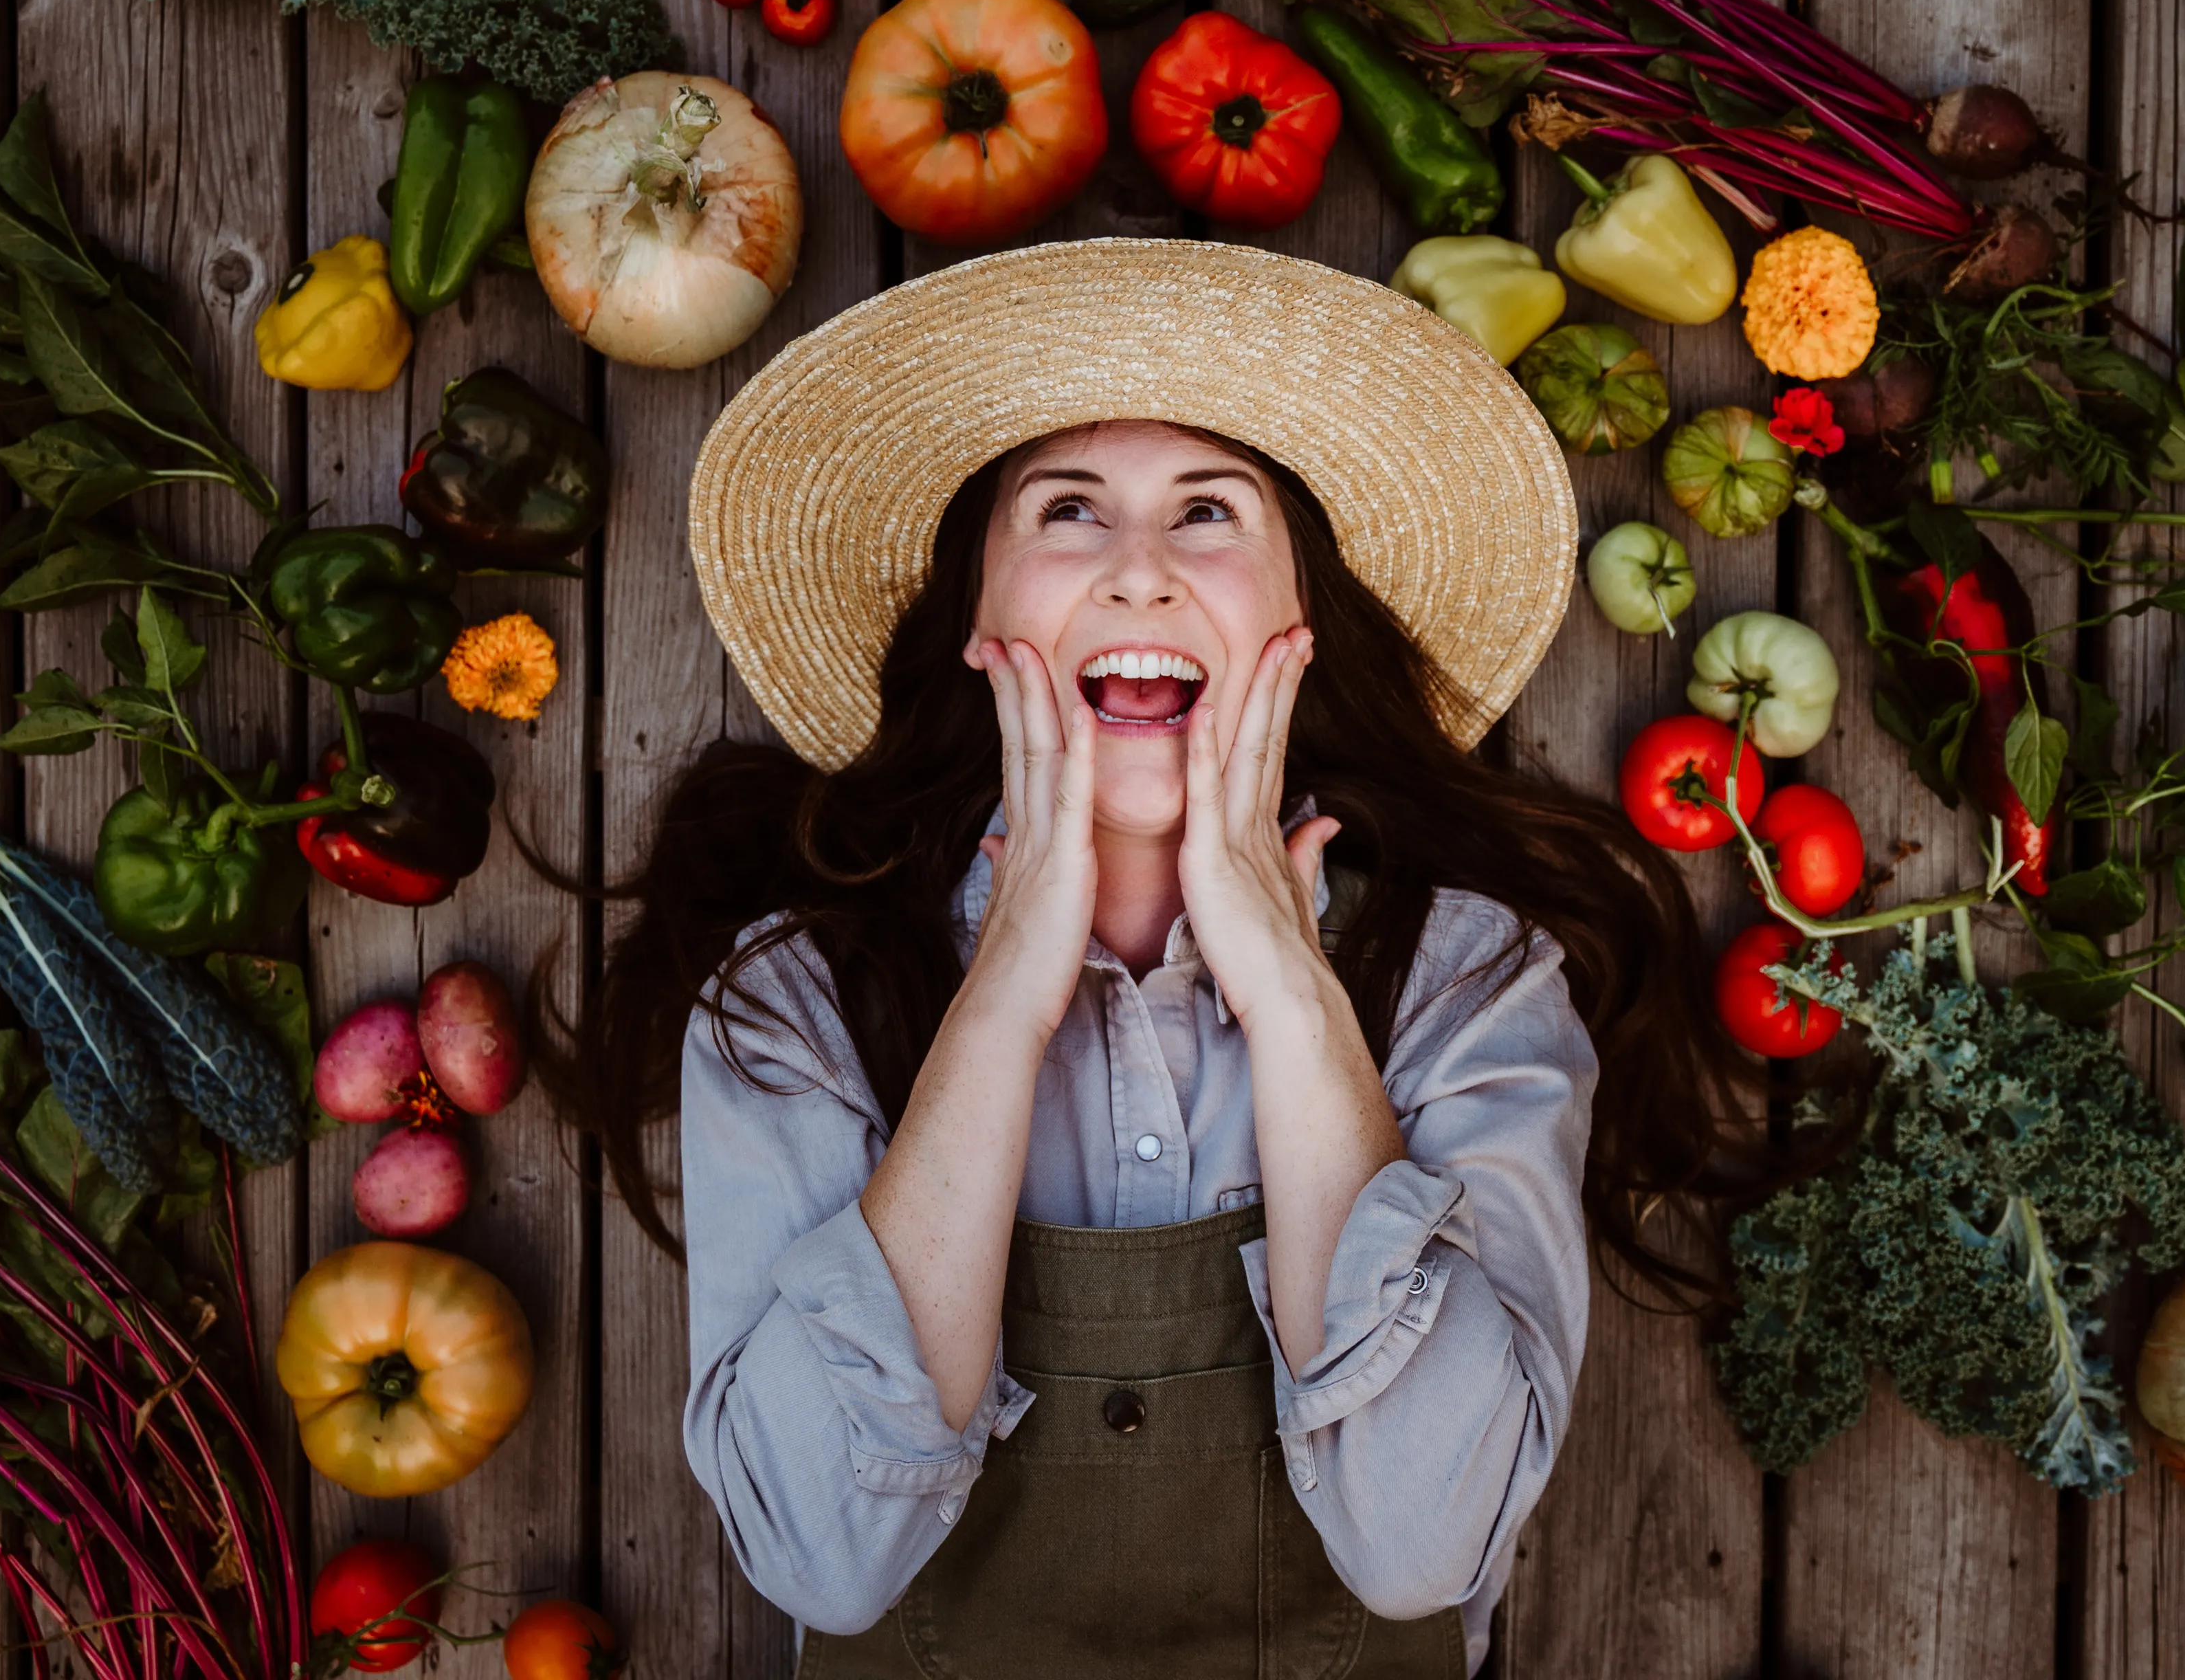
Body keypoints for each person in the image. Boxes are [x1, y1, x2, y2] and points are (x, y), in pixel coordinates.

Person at [553, 241, 1760, 1678]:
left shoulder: (1464, 982)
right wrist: (1003, 995)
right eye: (1068, 511)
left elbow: (1420, 1545)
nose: (1138, 573)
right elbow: (825, 1558)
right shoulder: (795, 1000)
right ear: (975, 621)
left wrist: (1300, 1004)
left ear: (1300, 625)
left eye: (1209, 511)